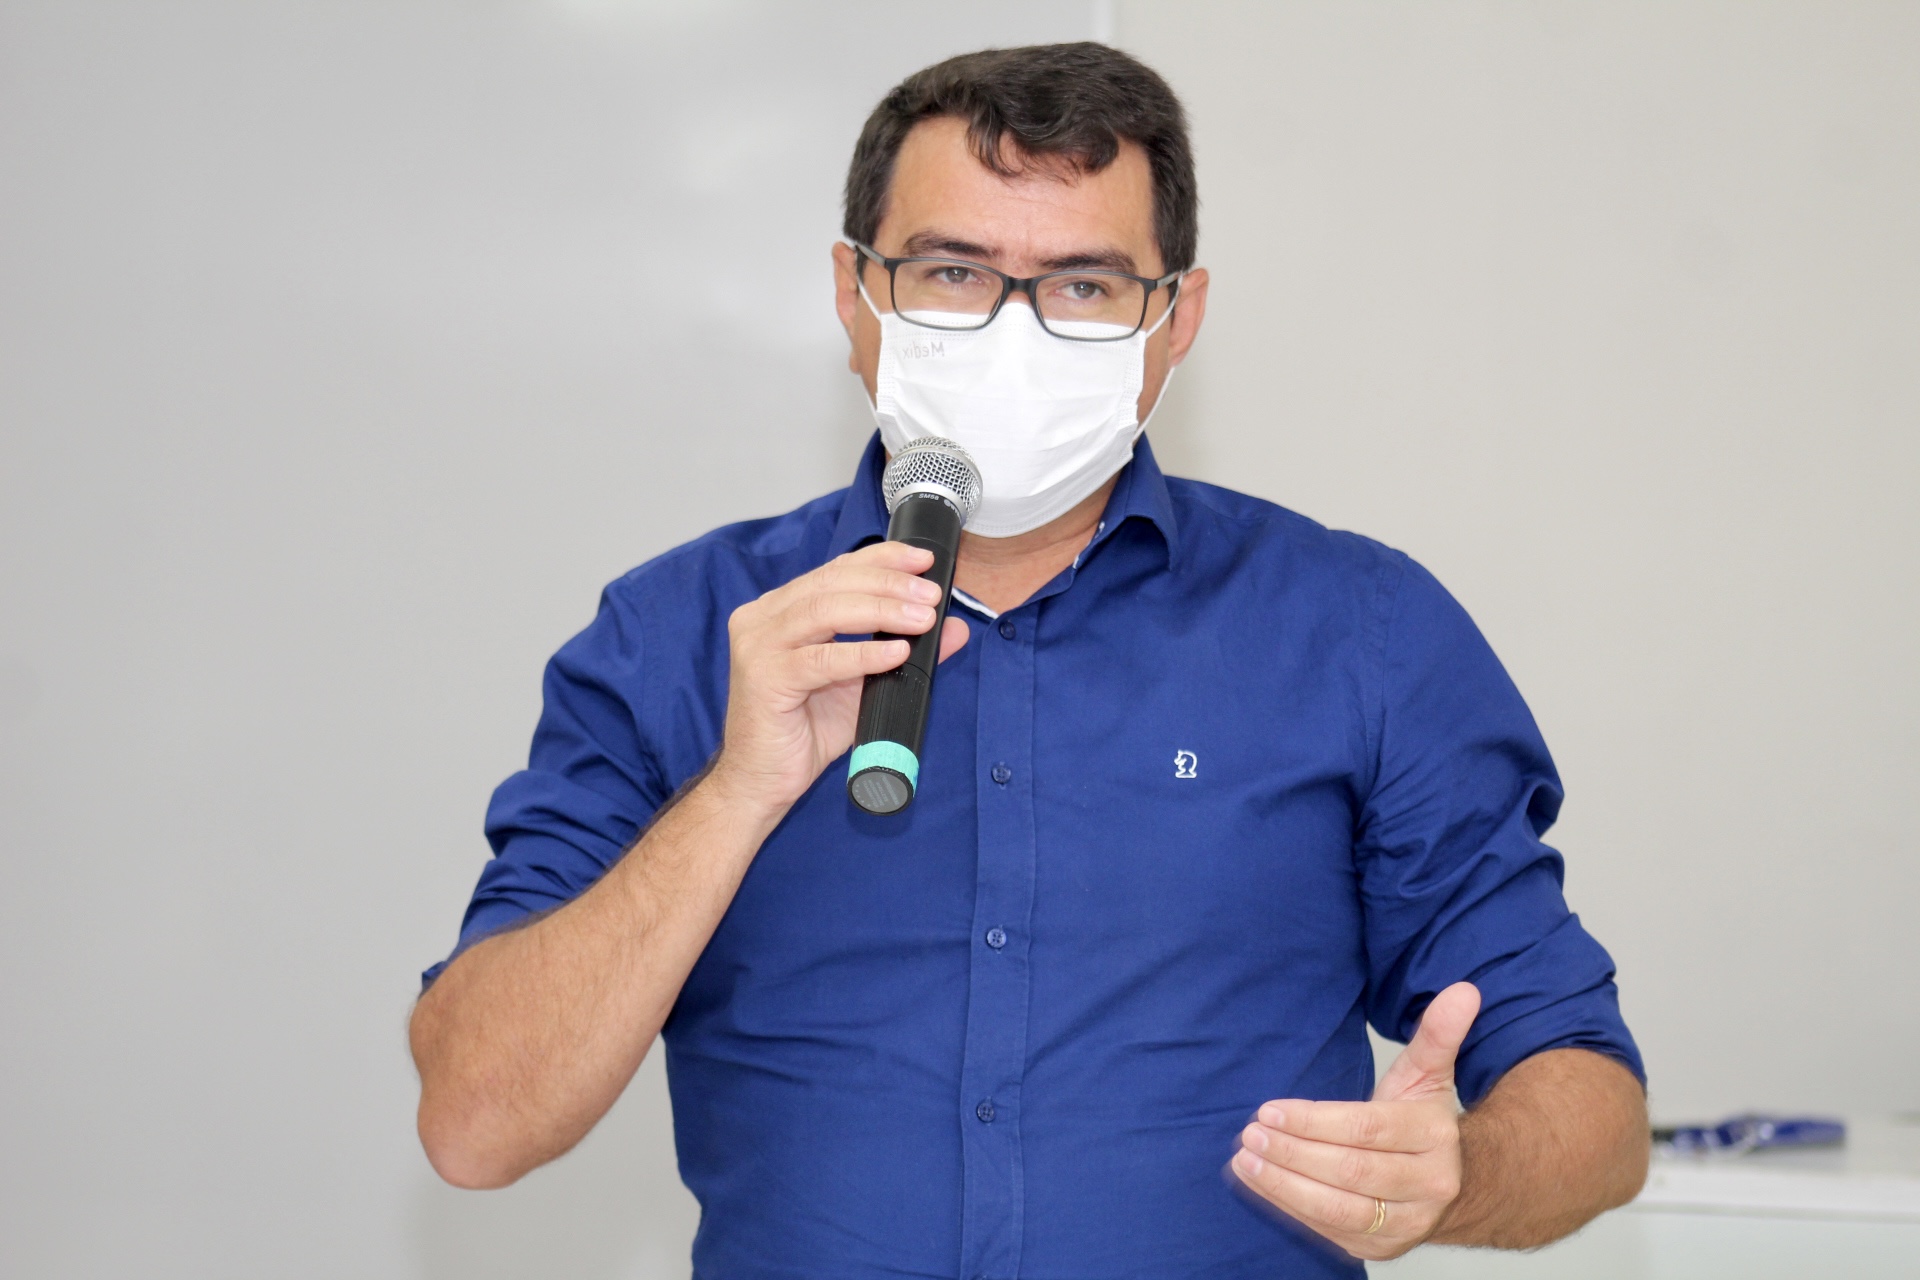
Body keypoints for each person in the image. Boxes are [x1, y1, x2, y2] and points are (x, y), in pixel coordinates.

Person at [409, 42, 1649, 1278]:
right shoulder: (681, 633)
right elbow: (475, 1120)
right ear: (854, 293)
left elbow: (1594, 1104)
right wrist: (735, 792)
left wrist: (1459, 1175)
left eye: (1085, 284)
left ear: (1176, 321)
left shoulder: (1357, 632)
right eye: (952, 271)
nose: (1012, 332)